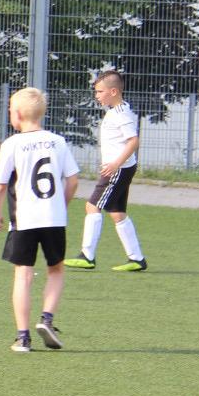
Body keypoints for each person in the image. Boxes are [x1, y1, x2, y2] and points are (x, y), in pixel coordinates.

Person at [0, 86, 80, 353]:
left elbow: (0, 184)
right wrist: (61, 206)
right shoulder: (58, 141)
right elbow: (73, 180)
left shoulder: (12, 144)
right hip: (54, 218)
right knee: (56, 269)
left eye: (10, 110)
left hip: (24, 219)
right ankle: (47, 319)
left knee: (23, 275)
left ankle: (23, 338)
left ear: (18, 114)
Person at [64, 70, 146, 272]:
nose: (97, 95)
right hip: (120, 169)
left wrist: (115, 164)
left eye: (100, 92)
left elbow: (133, 141)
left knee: (92, 206)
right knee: (117, 213)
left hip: (117, 170)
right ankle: (137, 259)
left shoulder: (121, 113)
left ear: (113, 91)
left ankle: (87, 255)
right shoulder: (115, 110)